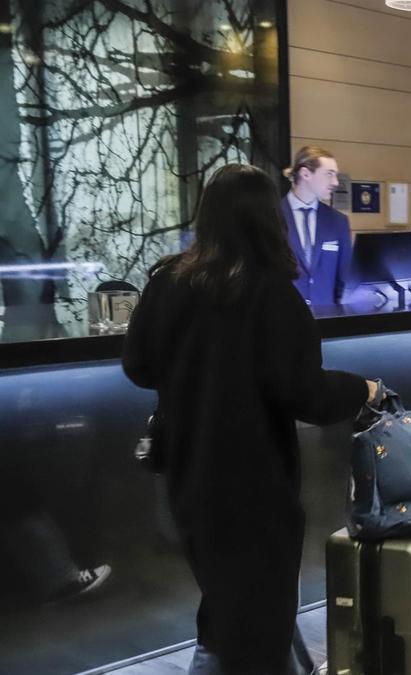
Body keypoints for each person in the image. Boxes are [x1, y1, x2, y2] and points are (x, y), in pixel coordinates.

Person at [123, 164, 378, 674]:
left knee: (229, 613)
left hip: (189, 478)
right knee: (252, 623)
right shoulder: (271, 294)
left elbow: (138, 365)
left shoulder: (168, 283)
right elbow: (303, 391)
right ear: (268, 219)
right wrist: (361, 389)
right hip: (255, 488)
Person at [281, 146, 355, 306]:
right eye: (329, 174)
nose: (335, 182)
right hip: (283, 320)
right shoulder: (271, 217)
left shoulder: (338, 221)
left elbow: (344, 281)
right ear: (305, 174)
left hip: (327, 323)